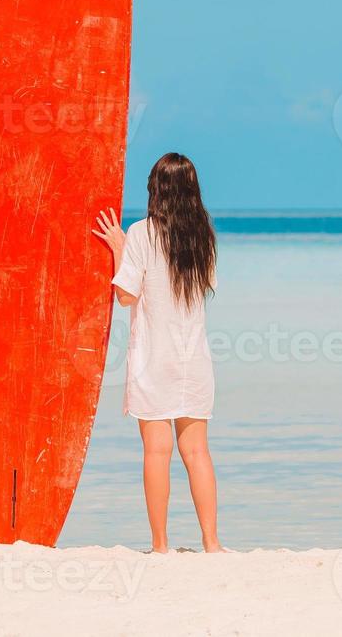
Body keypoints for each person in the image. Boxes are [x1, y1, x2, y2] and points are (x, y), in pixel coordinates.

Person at [94, 152, 221, 553]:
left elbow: (126, 296)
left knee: (157, 451)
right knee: (197, 451)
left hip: (154, 359)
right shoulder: (203, 237)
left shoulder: (141, 234)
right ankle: (212, 543)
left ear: (155, 189)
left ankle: (161, 544)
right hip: (193, 361)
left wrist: (119, 246)